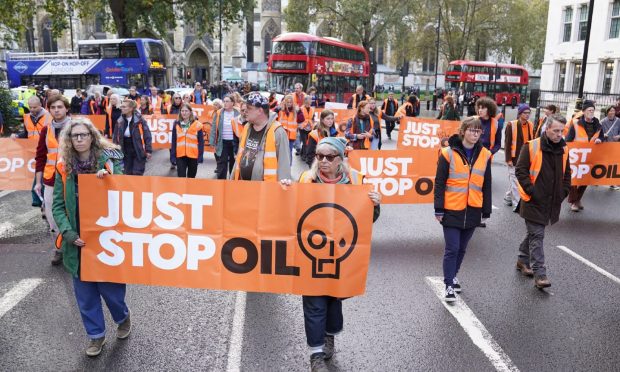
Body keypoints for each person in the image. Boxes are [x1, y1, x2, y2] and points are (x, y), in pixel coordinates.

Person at [297, 136, 381, 371]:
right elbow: (289, 211)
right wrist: (284, 190)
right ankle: (315, 354)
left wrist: (375, 204)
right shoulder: (306, 179)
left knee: (334, 301)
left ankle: (329, 336)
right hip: (310, 254)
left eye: (329, 157)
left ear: (340, 160)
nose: (323, 161)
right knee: (313, 302)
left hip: (341, 256)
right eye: (319, 156)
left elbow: (368, 221)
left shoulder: (356, 181)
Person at [52, 118, 130, 357]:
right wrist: (67, 232)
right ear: (69, 140)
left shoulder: (110, 159)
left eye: (83, 135)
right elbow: (57, 205)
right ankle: (96, 336)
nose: (79, 139)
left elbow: (126, 190)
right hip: (77, 241)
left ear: (92, 136)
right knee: (85, 296)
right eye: (74, 136)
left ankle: (122, 317)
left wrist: (108, 179)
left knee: (111, 292)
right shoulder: (63, 167)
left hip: (105, 239)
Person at [434, 116, 492, 302]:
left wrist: (486, 209)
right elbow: (440, 182)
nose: (475, 134)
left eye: (478, 131)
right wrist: (439, 208)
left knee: (462, 249)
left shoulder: (485, 155)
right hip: (452, 208)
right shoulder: (447, 153)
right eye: (472, 130)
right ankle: (449, 285)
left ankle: (453, 275)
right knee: (453, 248)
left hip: (473, 208)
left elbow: (487, 183)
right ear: (463, 131)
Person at [515, 114, 571, 289]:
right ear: (546, 129)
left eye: (562, 131)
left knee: (534, 233)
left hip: (552, 201)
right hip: (533, 201)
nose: (559, 134)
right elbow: (521, 171)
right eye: (555, 131)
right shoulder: (531, 147)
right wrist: (533, 191)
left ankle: (522, 259)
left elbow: (567, 175)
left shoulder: (564, 149)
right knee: (538, 235)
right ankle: (540, 274)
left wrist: (563, 192)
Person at [34, 95, 72, 265]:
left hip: (72, 178)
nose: (56, 110)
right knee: (51, 216)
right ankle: (59, 248)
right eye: (53, 107)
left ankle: (74, 249)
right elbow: (40, 156)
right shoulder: (46, 129)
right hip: (50, 179)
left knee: (72, 213)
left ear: (66, 108)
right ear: (49, 110)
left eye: (60, 107)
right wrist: (37, 182)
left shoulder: (77, 126)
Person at [232, 92, 291, 181]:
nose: (245, 111)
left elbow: (284, 166)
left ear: (260, 111)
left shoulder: (278, 132)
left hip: (265, 190)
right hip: (242, 186)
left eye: (249, 108)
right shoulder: (247, 127)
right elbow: (239, 157)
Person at [565, 100, 603, 212]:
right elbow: (568, 139)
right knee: (574, 180)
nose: (591, 112)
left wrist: (600, 139)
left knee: (586, 180)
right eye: (589, 110)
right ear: (583, 111)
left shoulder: (598, 125)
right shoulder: (576, 123)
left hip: (590, 157)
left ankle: (577, 200)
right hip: (576, 157)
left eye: (592, 110)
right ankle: (573, 202)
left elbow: (602, 137)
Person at [503, 104, 533, 211]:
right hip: (514, 158)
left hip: (526, 158)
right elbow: (507, 143)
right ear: (520, 114)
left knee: (515, 180)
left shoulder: (530, 125)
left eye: (529, 113)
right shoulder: (511, 125)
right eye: (525, 113)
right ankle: (517, 204)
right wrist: (508, 159)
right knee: (515, 181)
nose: (527, 115)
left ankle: (508, 197)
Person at [112, 99, 153, 175]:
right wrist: (114, 150)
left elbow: (147, 135)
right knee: (127, 173)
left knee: (137, 173)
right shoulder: (120, 121)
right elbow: (115, 137)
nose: (122, 108)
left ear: (131, 109)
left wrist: (148, 150)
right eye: (121, 106)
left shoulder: (140, 120)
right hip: (125, 150)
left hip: (138, 149)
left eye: (124, 107)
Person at [211, 95, 241, 179]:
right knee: (222, 163)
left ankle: (232, 183)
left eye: (227, 101)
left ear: (232, 103)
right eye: (224, 101)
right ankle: (222, 183)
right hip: (222, 142)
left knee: (233, 162)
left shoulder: (238, 112)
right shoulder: (219, 112)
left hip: (235, 142)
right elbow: (214, 127)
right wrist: (212, 141)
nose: (225, 103)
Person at [171, 103, 204, 178]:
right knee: (181, 178)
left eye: (186, 111)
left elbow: (201, 142)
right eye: (182, 111)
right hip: (180, 155)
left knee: (191, 178)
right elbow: (174, 141)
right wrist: (173, 156)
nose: (184, 113)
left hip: (193, 156)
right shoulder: (176, 124)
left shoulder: (197, 125)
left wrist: (200, 156)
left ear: (190, 112)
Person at [276, 94, 299, 164]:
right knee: (280, 152)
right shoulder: (281, 111)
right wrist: (277, 108)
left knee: (289, 152)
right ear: (284, 102)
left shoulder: (295, 112)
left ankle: (288, 169)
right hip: (282, 135)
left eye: (290, 102)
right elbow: (272, 116)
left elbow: (302, 120)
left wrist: (299, 111)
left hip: (291, 136)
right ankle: (281, 167)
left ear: (293, 103)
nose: (289, 104)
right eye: (287, 102)